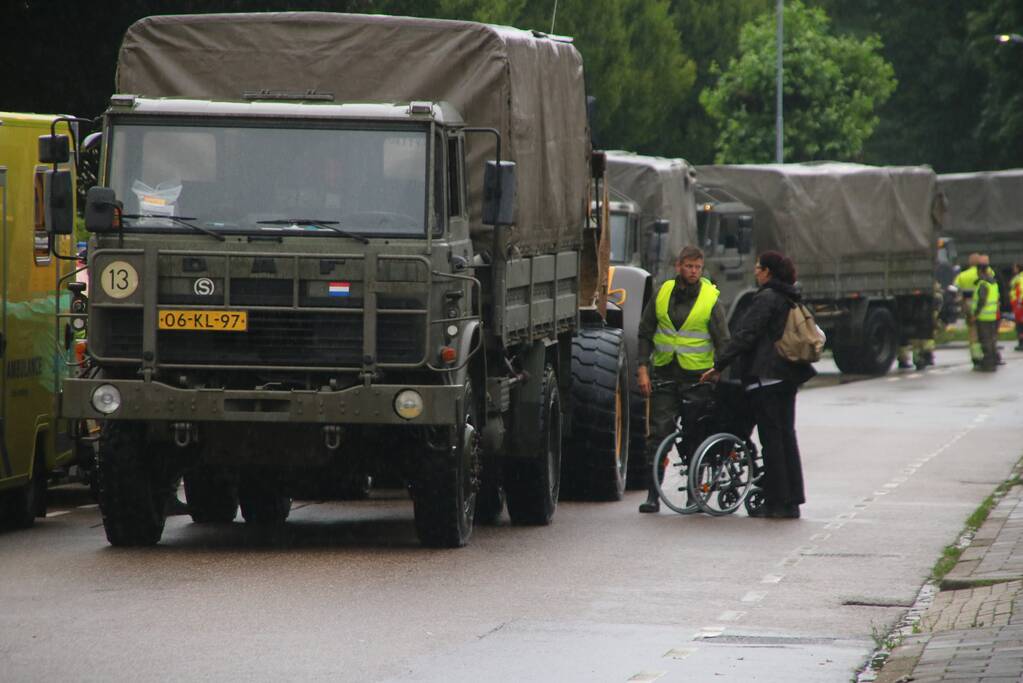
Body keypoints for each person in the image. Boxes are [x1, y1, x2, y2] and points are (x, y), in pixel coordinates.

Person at [700, 251, 815, 519]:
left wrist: (719, 364)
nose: (755, 271)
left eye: (759, 268)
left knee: (771, 441)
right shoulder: (790, 296)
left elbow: (746, 335)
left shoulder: (766, 298)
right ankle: (792, 501)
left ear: (768, 272)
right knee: (787, 436)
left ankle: (776, 502)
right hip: (787, 376)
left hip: (766, 377)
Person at [636, 246, 730, 513]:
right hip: (664, 377)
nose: (693, 272)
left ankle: (694, 494)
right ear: (679, 266)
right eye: (689, 266)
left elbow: (723, 341)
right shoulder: (663, 292)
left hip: (697, 380)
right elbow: (645, 332)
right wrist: (642, 368)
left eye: (698, 268)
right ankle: (653, 495)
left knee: (694, 438)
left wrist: (718, 371)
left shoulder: (710, 299)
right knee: (657, 438)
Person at [955, 253, 983, 365]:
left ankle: (975, 356)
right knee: (985, 331)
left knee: (973, 332)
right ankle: (986, 354)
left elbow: (955, 289)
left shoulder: (962, 275)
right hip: (984, 306)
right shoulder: (987, 273)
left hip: (968, 305)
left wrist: (960, 303)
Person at [973, 265, 1000, 372]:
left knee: (985, 340)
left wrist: (975, 314)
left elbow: (981, 301)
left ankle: (988, 363)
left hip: (983, 316)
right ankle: (993, 361)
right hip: (992, 315)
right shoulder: (993, 283)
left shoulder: (983, 284)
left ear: (980, 271)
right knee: (992, 339)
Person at [1010, 263, 1023, 351]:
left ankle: (1021, 342)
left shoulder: (1019, 279)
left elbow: (1020, 291)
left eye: (1014, 267)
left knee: (1020, 324)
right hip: (1018, 304)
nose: (1013, 269)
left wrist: (1019, 302)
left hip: (1019, 305)